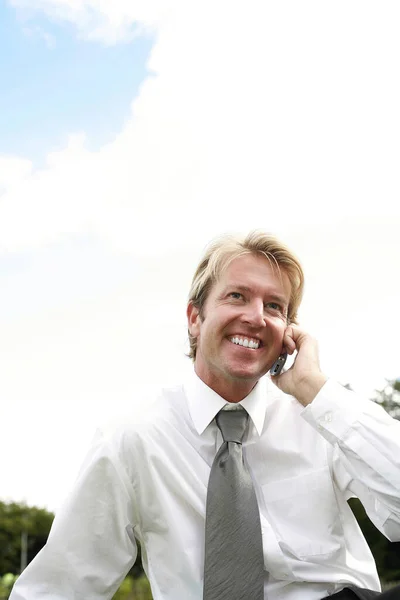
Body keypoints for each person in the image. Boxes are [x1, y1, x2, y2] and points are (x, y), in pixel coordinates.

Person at [10, 230, 400, 600]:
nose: (256, 317)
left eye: (274, 306)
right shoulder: (134, 440)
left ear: (288, 332)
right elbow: (61, 584)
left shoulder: (320, 419)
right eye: (237, 296)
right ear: (195, 317)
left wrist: (314, 388)